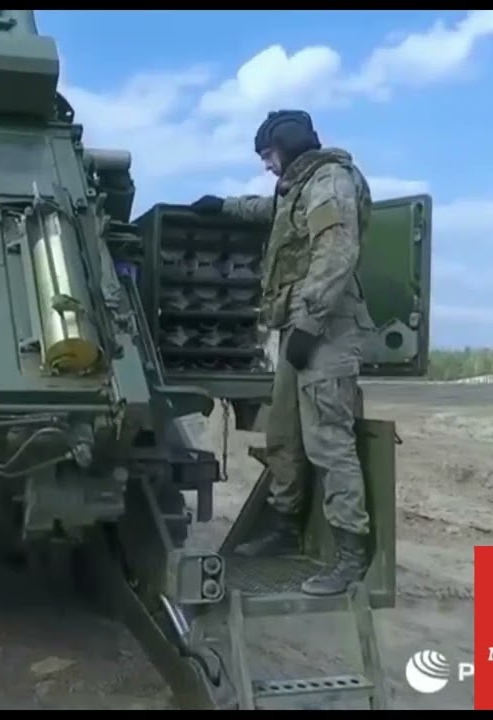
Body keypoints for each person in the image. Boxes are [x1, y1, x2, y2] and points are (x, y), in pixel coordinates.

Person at [190, 110, 375, 597]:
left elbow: (337, 254)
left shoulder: (330, 182)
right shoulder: (298, 187)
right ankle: (285, 527)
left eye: (268, 156)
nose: (267, 166)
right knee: (284, 437)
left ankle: (349, 555)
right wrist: (222, 206)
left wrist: (310, 324)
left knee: (328, 441)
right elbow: (270, 212)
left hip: (326, 330)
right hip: (299, 329)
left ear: (287, 146)